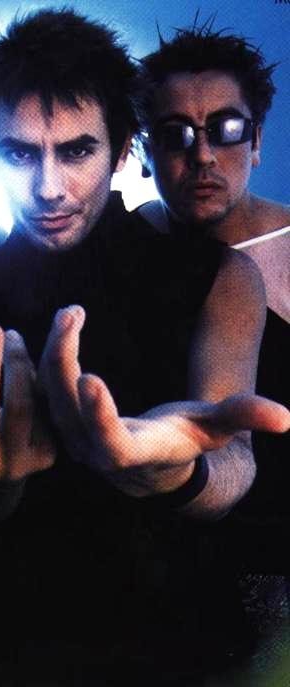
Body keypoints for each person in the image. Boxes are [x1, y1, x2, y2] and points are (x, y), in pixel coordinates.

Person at [0, 9, 290, 687]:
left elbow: (232, 460)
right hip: (3, 656)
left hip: (188, 653)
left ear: (122, 150)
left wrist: (172, 468)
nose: (48, 187)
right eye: (20, 153)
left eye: (77, 151)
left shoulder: (223, 279)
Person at [137, 25, 289, 581]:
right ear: (144, 151)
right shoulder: (125, 246)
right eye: (174, 134)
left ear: (256, 141)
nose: (202, 155)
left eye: (226, 130)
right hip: (167, 562)